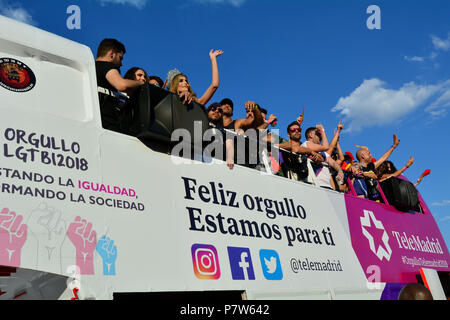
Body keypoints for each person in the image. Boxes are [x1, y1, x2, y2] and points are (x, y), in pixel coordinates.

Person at [95, 38, 144, 131]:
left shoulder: (91, 68)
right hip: (107, 124)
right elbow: (121, 85)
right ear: (112, 54)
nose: (121, 64)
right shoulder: (107, 66)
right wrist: (142, 84)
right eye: (120, 58)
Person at [302, 122, 344, 190]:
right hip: (313, 184)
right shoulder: (306, 144)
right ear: (311, 135)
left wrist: (340, 171)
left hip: (327, 186)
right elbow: (326, 147)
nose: (321, 136)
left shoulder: (323, 153)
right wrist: (322, 130)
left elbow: (333, 163)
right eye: (318, 134)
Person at [205, 102, 234, 170]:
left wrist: (230, 158)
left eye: (220, 110)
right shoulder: (201, 124)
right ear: (208, 111)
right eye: (213, 109)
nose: (217, 111)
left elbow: (229, 143)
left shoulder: (224, 131)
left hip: (218, 165)